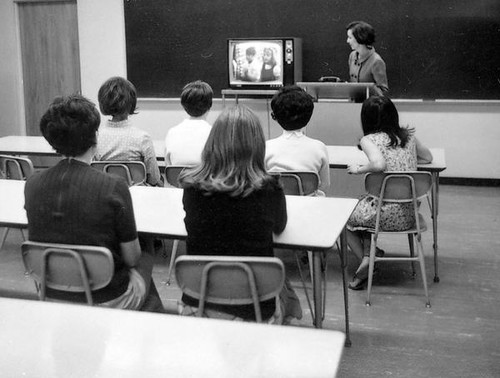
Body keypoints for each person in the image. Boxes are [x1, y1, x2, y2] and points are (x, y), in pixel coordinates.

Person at [24, 94, 163, 311]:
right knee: (145, 253)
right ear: (95, 137)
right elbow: (132, 257)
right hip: (107, 297)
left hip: (51, 291)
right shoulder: (113, 186)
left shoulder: (32, 183)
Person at [178, 105, 302, 323]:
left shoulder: (192, 187)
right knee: (285, 290)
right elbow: (280, 226)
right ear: (257, 145)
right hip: (254, 306)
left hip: (198, 302)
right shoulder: (269, 188)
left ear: (213, 142)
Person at [346, 95, 433, 290]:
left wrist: (358, 168)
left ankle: (369, 260)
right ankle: (371, 253)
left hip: (380, 216)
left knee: (344, 218)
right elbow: (428, 158)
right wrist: (406, 162)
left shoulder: (369, 139)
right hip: (409, 216)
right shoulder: (408, 137)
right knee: (366, 205)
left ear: (366, 118)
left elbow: (378, 164)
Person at [95, 76, 162, 186]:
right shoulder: (142, 138)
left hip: (107, 194)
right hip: (136, 197)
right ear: (131, 102)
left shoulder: (97, 137)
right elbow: (154, 178)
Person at [265, 85, 330, 196]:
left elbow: (263, 182)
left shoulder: (266, 147)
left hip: (277, 206)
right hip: (310, 207)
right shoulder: (319, 147)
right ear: (309, 116)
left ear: (275, 116)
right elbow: (324, 185)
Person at [164, 80, 212, 166]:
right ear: (209, 105)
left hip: (178, 179)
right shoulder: (214, 134)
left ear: (184, 105)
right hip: (204, 178)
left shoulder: (172, 132)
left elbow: (168, 166)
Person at [346, 21, 388, 97]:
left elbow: (383, 91)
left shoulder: (376, 61)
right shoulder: (352, 56)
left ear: (360, 38)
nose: (347, 41)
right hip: (353, 105)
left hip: (369, 107)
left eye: (350, 37)